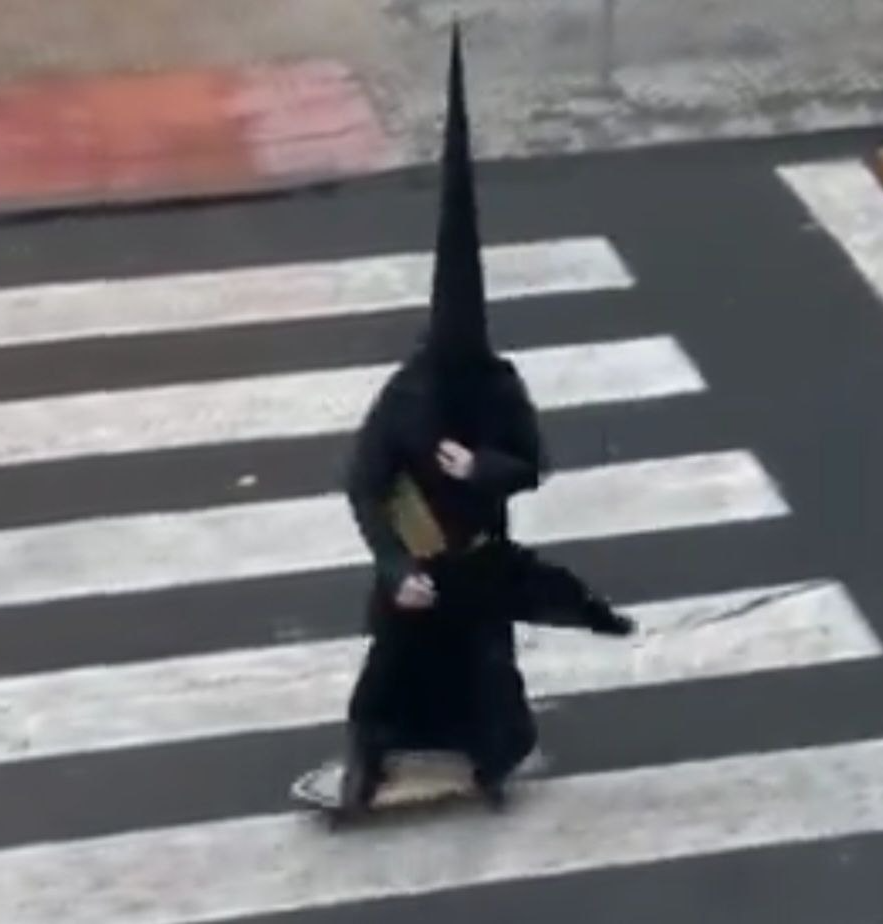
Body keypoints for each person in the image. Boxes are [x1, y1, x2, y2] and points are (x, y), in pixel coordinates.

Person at [338, 25, 637, 815]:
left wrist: (483, 469)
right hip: (418, 562)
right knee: (388, 674)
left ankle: (492, 762)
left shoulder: (498, 388)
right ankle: (367, 764)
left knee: (488, 676)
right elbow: (363, 484)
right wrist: (394, 568)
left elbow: (531, 464)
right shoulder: (404, 399)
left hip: (476, 563)